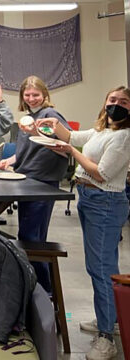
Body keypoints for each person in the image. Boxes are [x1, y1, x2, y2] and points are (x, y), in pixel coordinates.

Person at [37, 86, 130, 360]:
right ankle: (111, 320)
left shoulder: (123, 137)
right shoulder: (104, 131)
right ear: (105, 102)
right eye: (112, 99)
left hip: (105, 202)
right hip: (90, 200)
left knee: (100, 269)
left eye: (123, 102)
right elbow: (73, 136)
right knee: (102, 266)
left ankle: (106, 338)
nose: (116, 104)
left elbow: (100, 173)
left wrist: (71, 152)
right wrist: (55, 125)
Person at [0, 76, 70, 293]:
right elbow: (23, 153)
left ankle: (45, 291)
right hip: (28, 181)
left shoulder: (49, 115)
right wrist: (8, 161)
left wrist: (35, 131)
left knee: (31, 239)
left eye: (35, 95)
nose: (31, 98)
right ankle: (36, 287)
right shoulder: (28, 118)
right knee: (32, 237)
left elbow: (61, 142)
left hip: (42, 182)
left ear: (45, 95)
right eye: (27, 95)